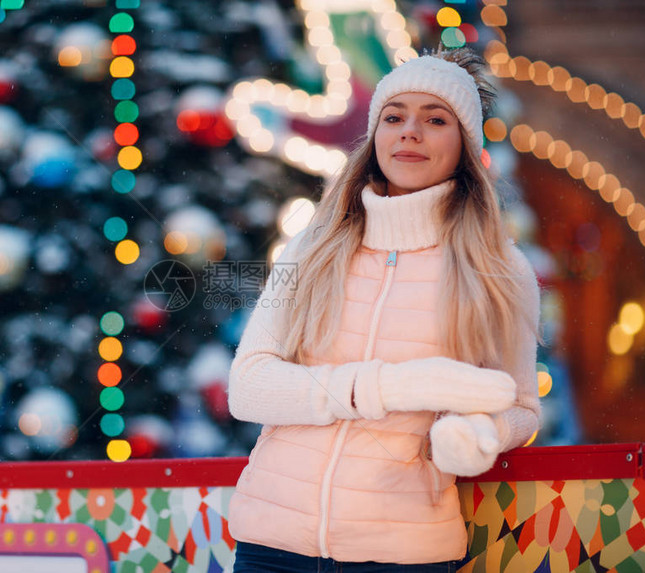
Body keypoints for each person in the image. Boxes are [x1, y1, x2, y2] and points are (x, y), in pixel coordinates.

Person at [226, 47, 541, 572]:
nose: (409, 132)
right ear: (375, 139)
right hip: (271, 547)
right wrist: (396, 386)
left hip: (399, 553)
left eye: (435, 119)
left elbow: (522, 405)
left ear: (463, 144)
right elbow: (250, 385)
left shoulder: (501, 269)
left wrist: (480, 435)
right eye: (393, 117)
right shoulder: (310, 247)